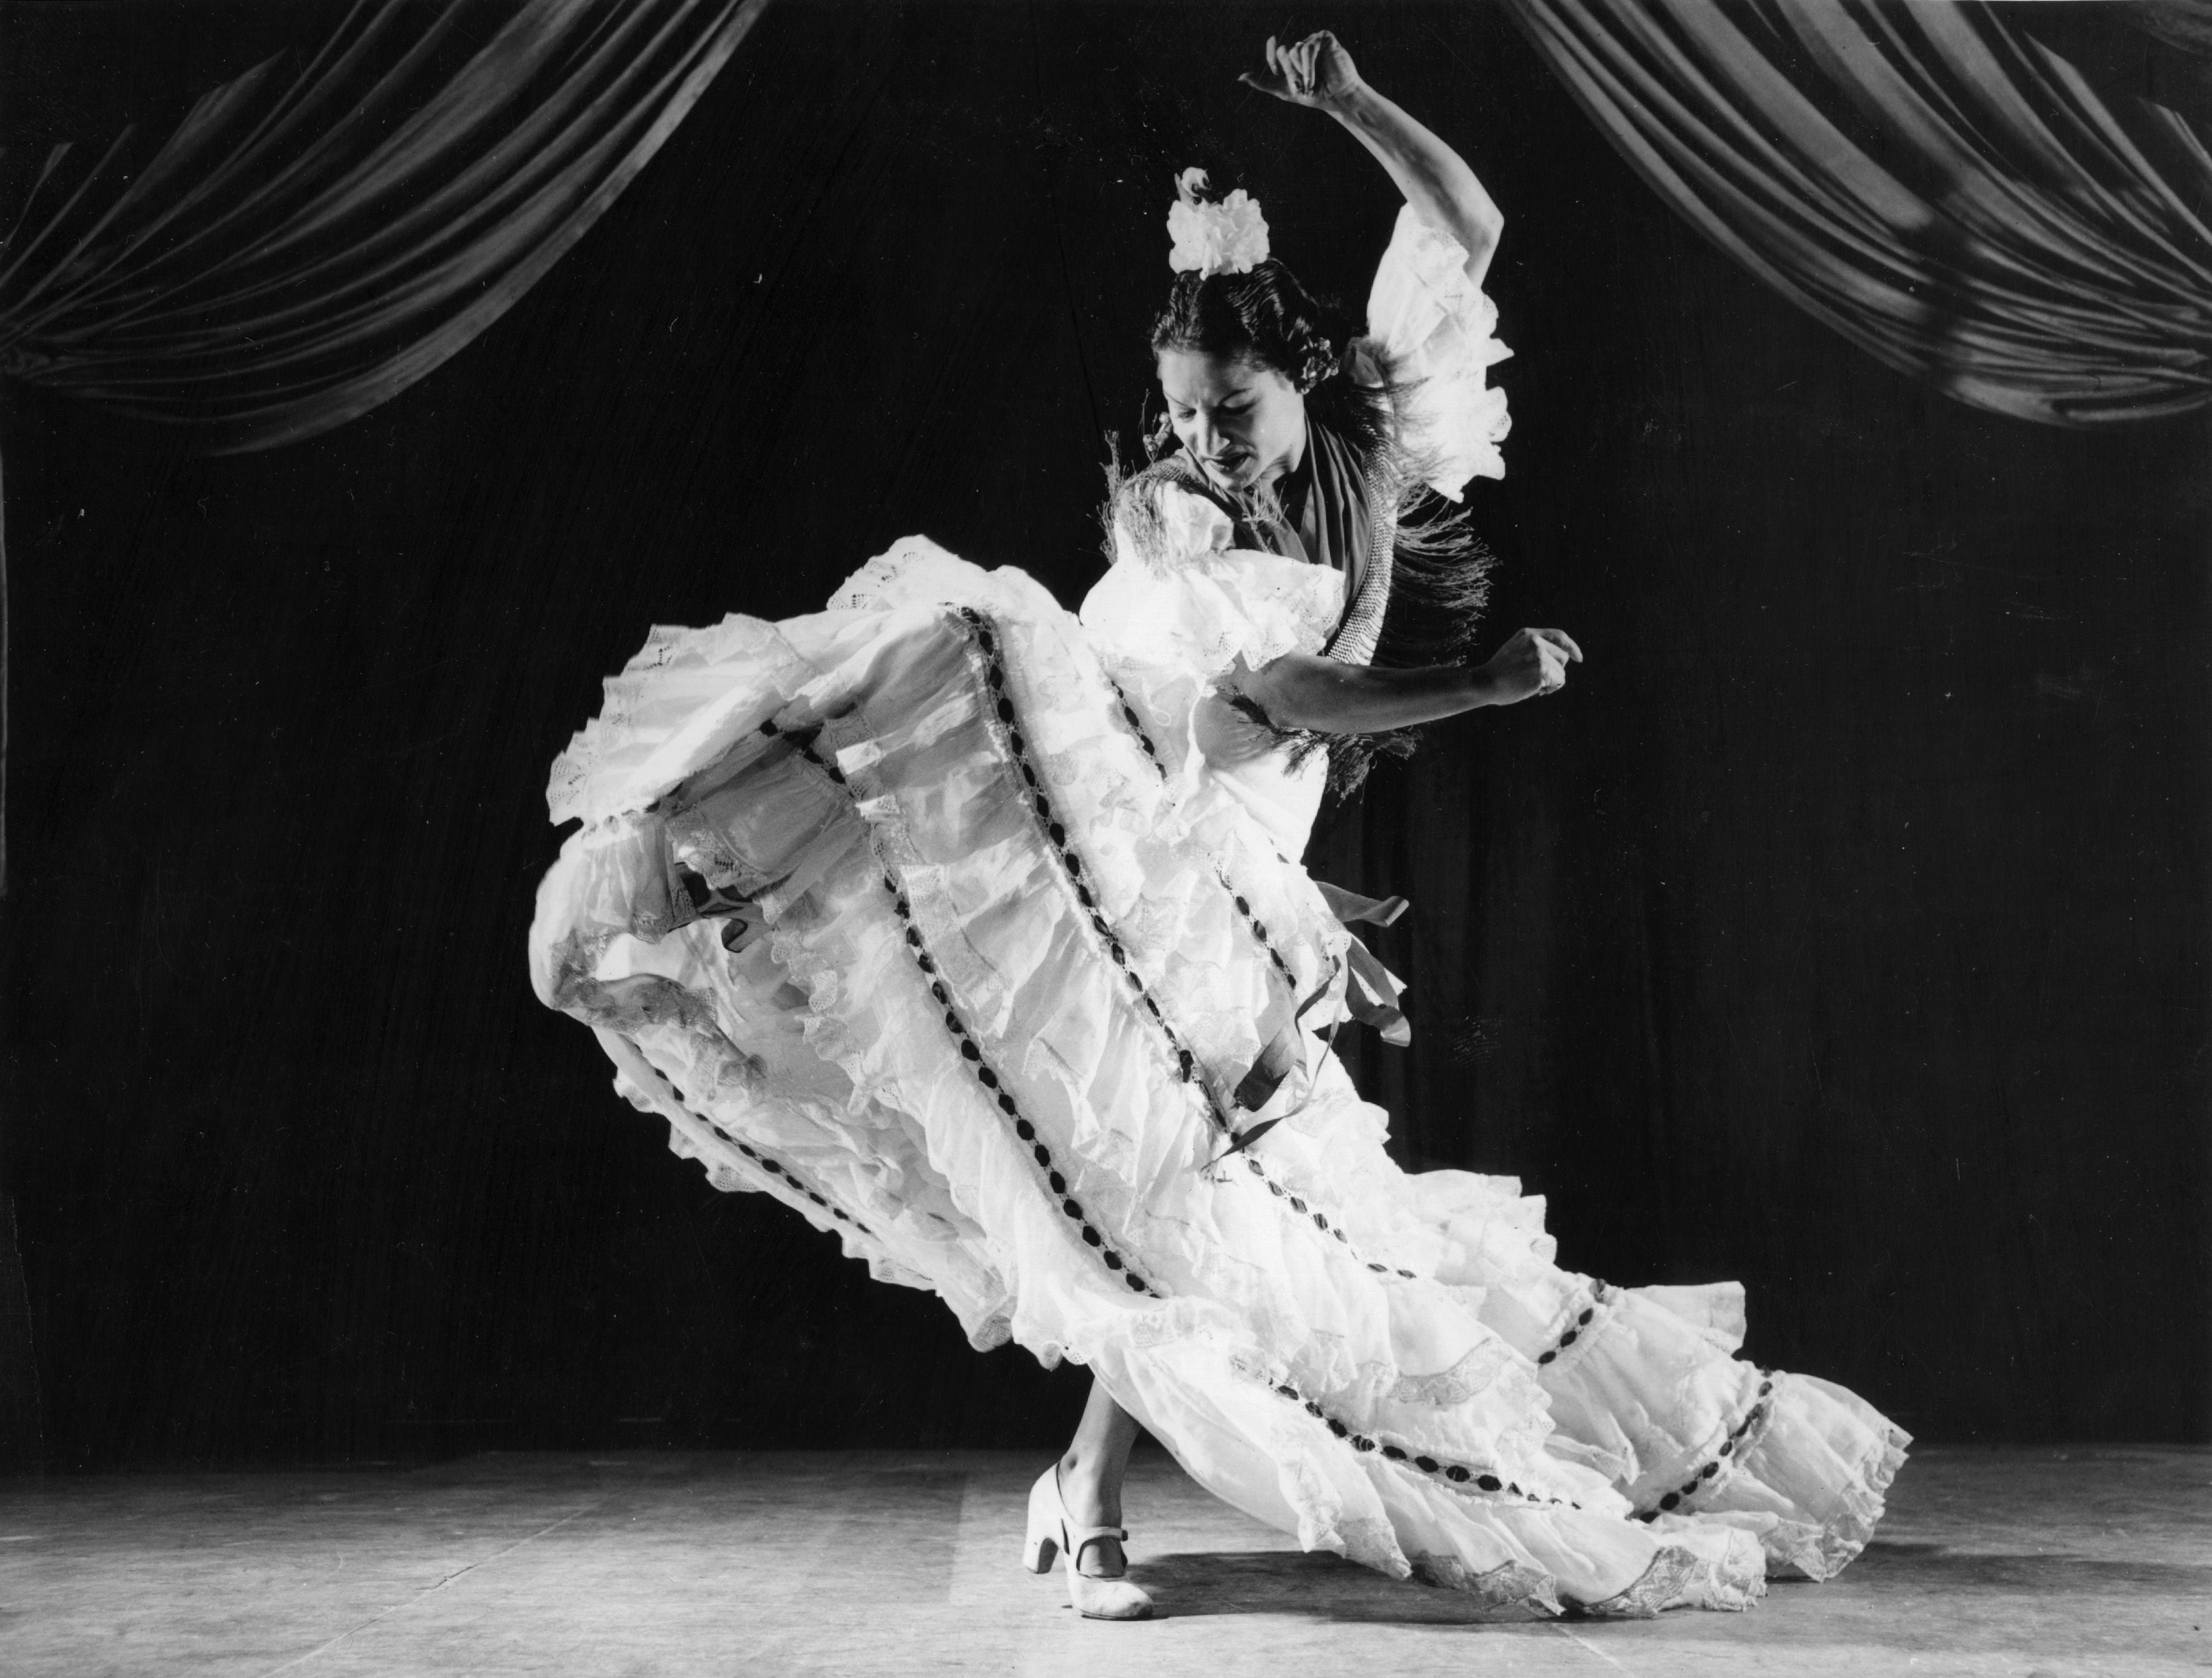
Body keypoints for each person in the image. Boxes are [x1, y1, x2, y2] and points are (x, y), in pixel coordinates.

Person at [529, 31, 1906, 1624]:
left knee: (1207, 1204)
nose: (1196, 443)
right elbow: (1260, 709)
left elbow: (1463, 229)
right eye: (1179, 415)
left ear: (1299, 376)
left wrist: (1351, 108)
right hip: (1153, 875)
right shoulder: (1178, 536)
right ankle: (1082, 1488)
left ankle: (1082, 1490)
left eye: (1225, 408)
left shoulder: (1374, 432)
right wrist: (1471, 689)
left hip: (1248, 877)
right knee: (1171, 1176)